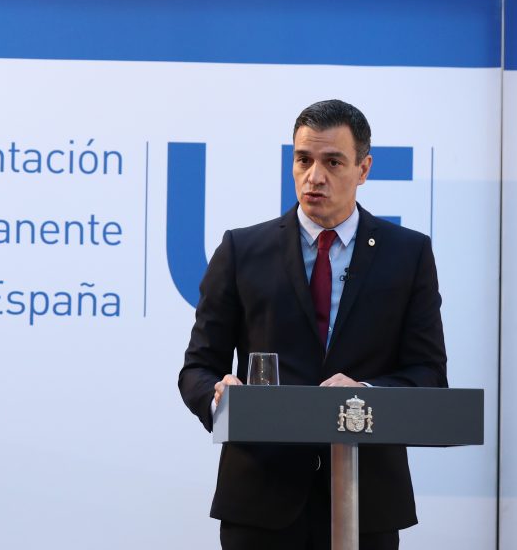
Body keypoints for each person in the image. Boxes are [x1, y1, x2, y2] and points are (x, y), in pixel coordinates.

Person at [177, 99, 448, 550]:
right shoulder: (242, 250)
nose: (314, 176)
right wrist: (219, 399)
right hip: (260, 503)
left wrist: (368, 395)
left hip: (368, 503)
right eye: (303, 159)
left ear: (364, 169)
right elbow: (197, 369)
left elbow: (428, 377)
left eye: (333, 162)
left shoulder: (409, 255)